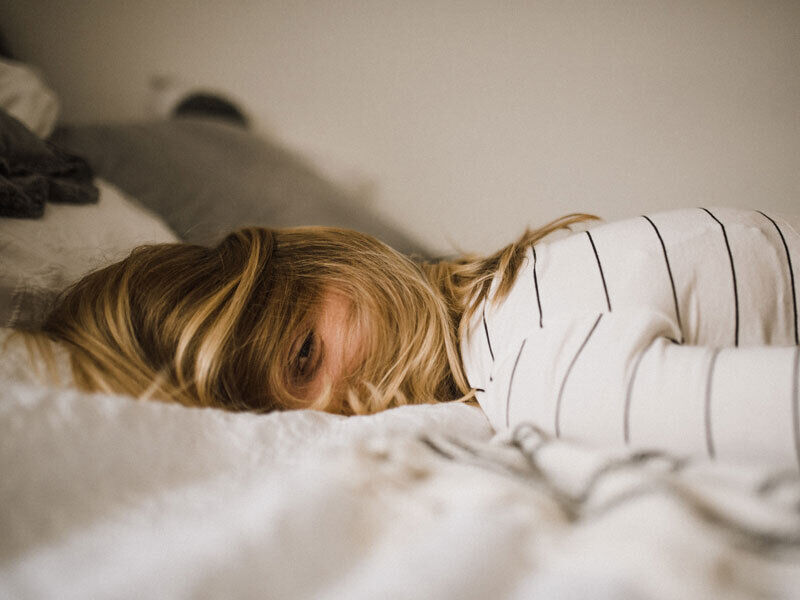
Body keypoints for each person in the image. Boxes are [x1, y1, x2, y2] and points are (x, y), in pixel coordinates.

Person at [26, 208, 800, 464]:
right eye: (296, 421)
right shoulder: (524, 358)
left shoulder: (512, 327)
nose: (344, 410)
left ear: (325, 258)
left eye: (304, 355)